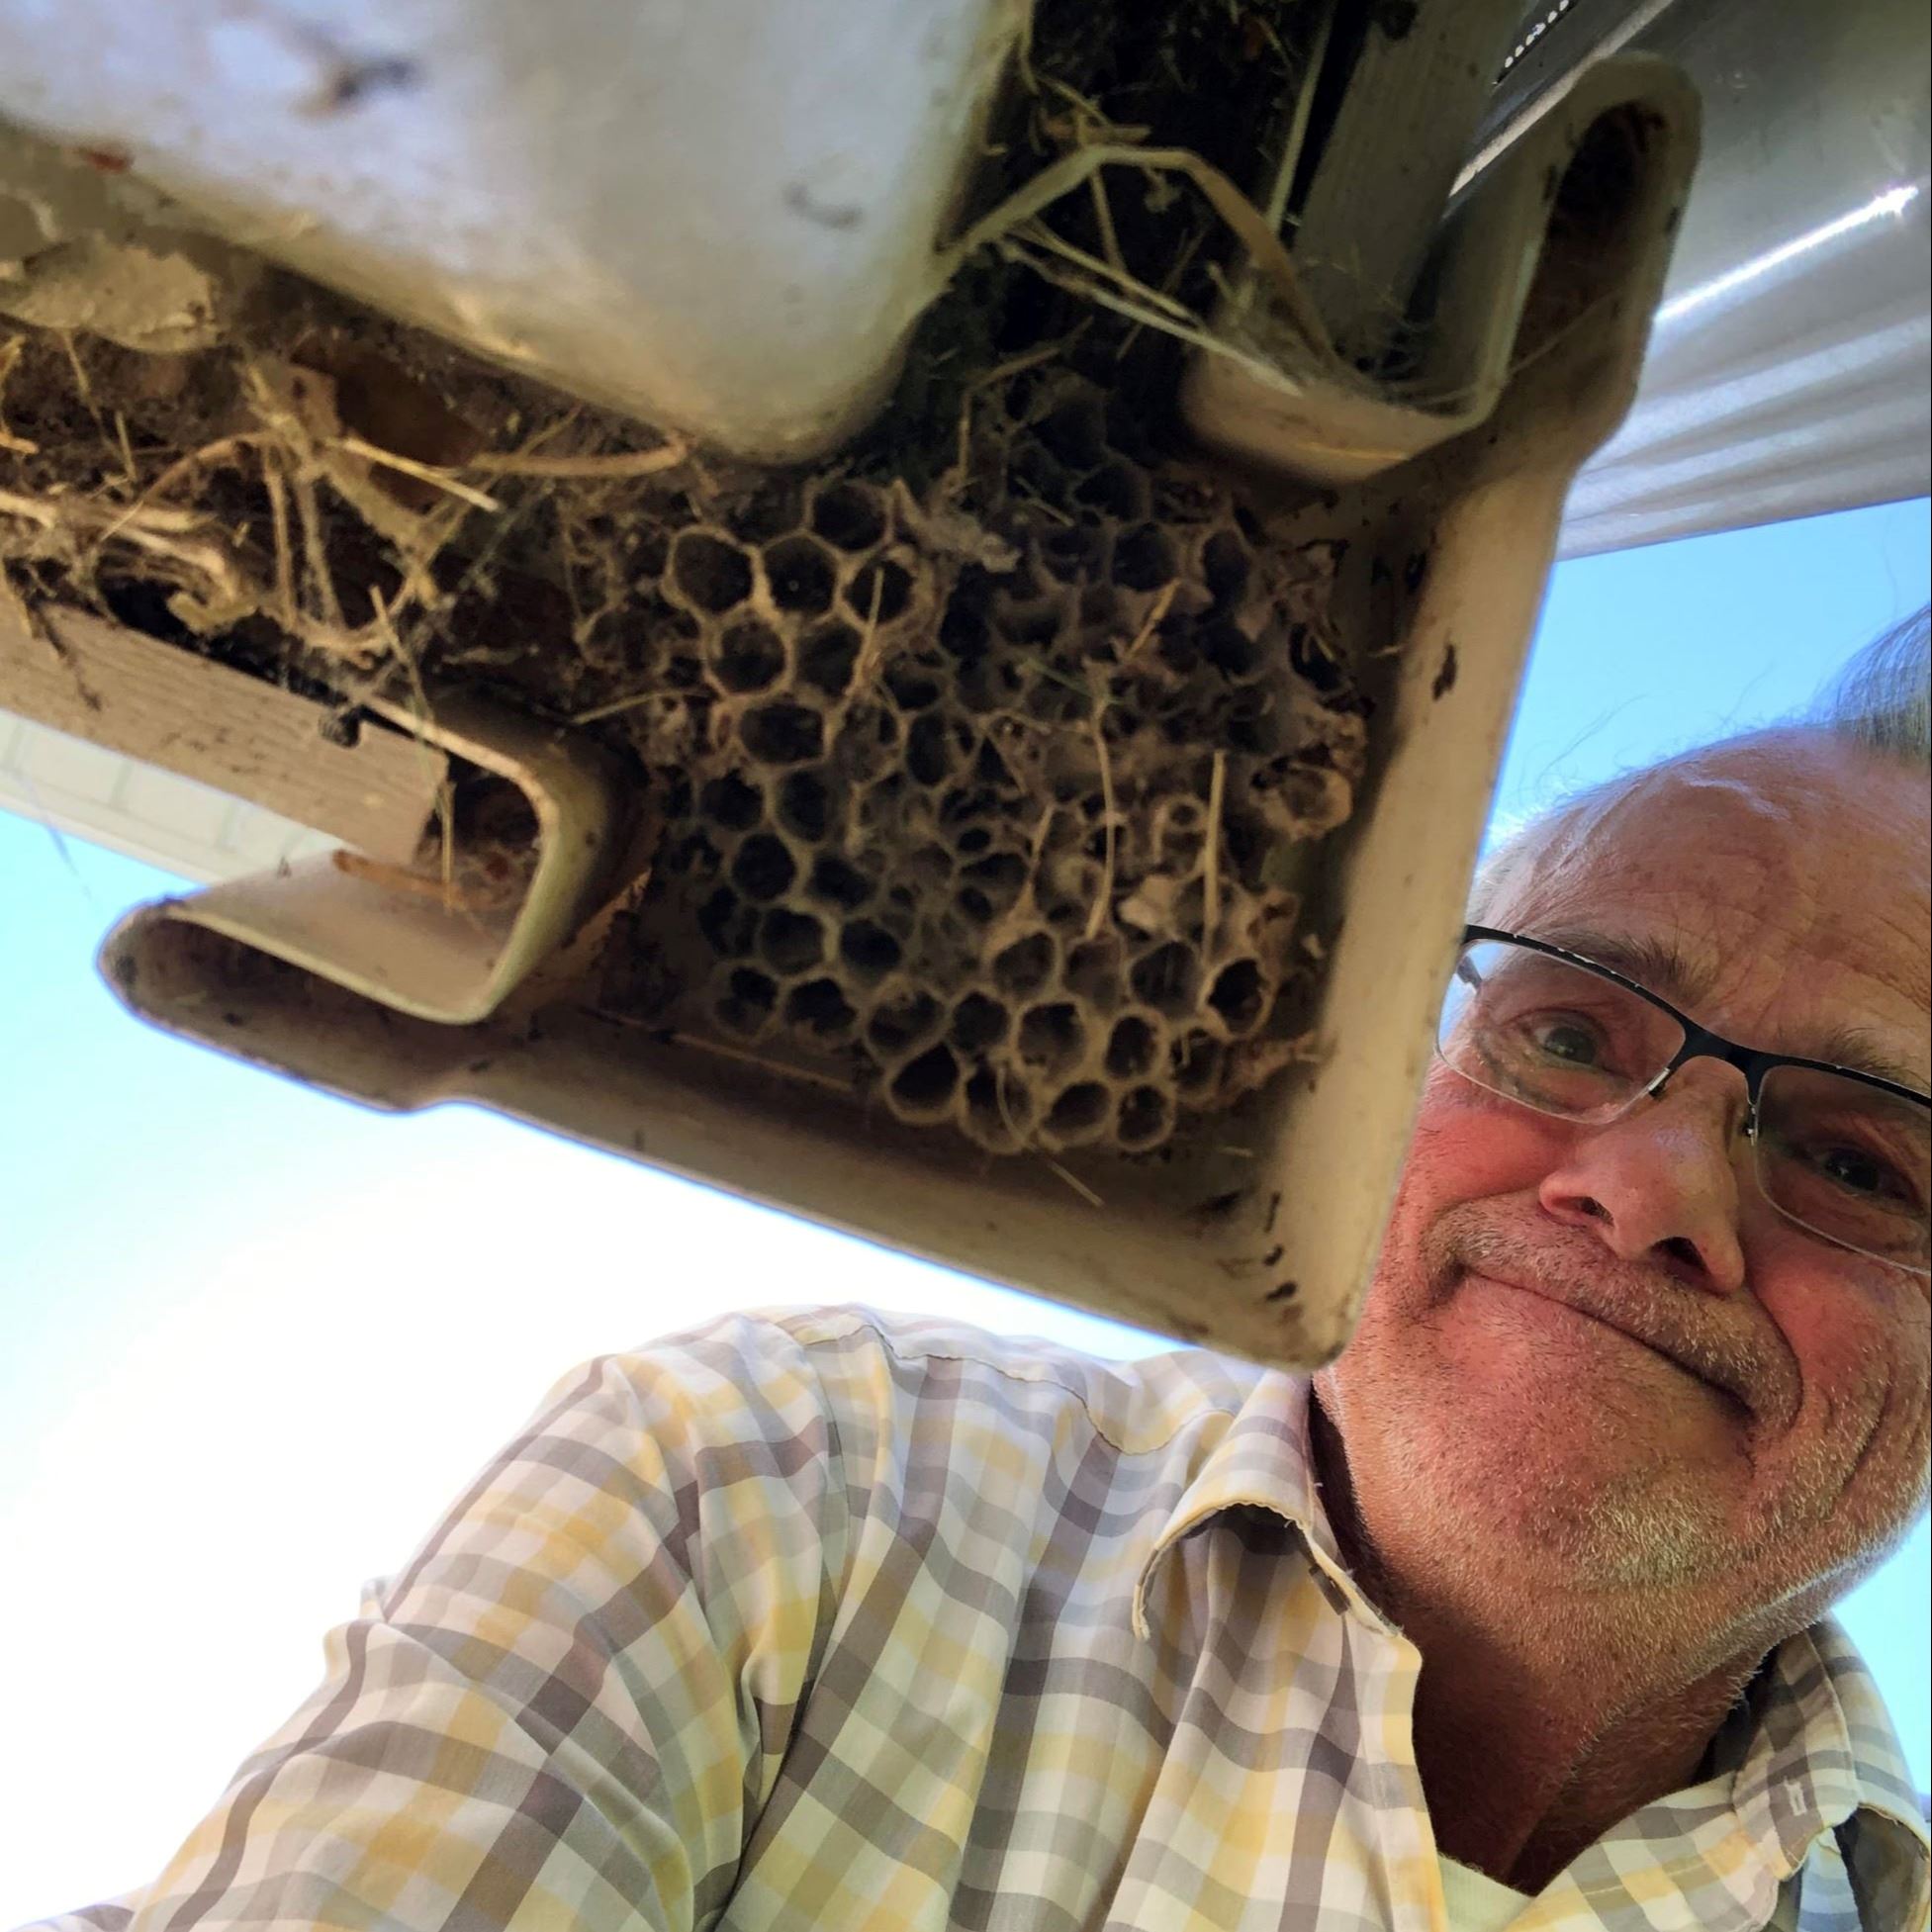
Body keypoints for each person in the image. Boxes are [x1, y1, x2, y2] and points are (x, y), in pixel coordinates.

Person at [29, 611, 1930, 1932]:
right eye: (1570, 1034)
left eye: (1859, 1157)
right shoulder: (773, 1490)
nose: (1650, 1186)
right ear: (1381, 1074)